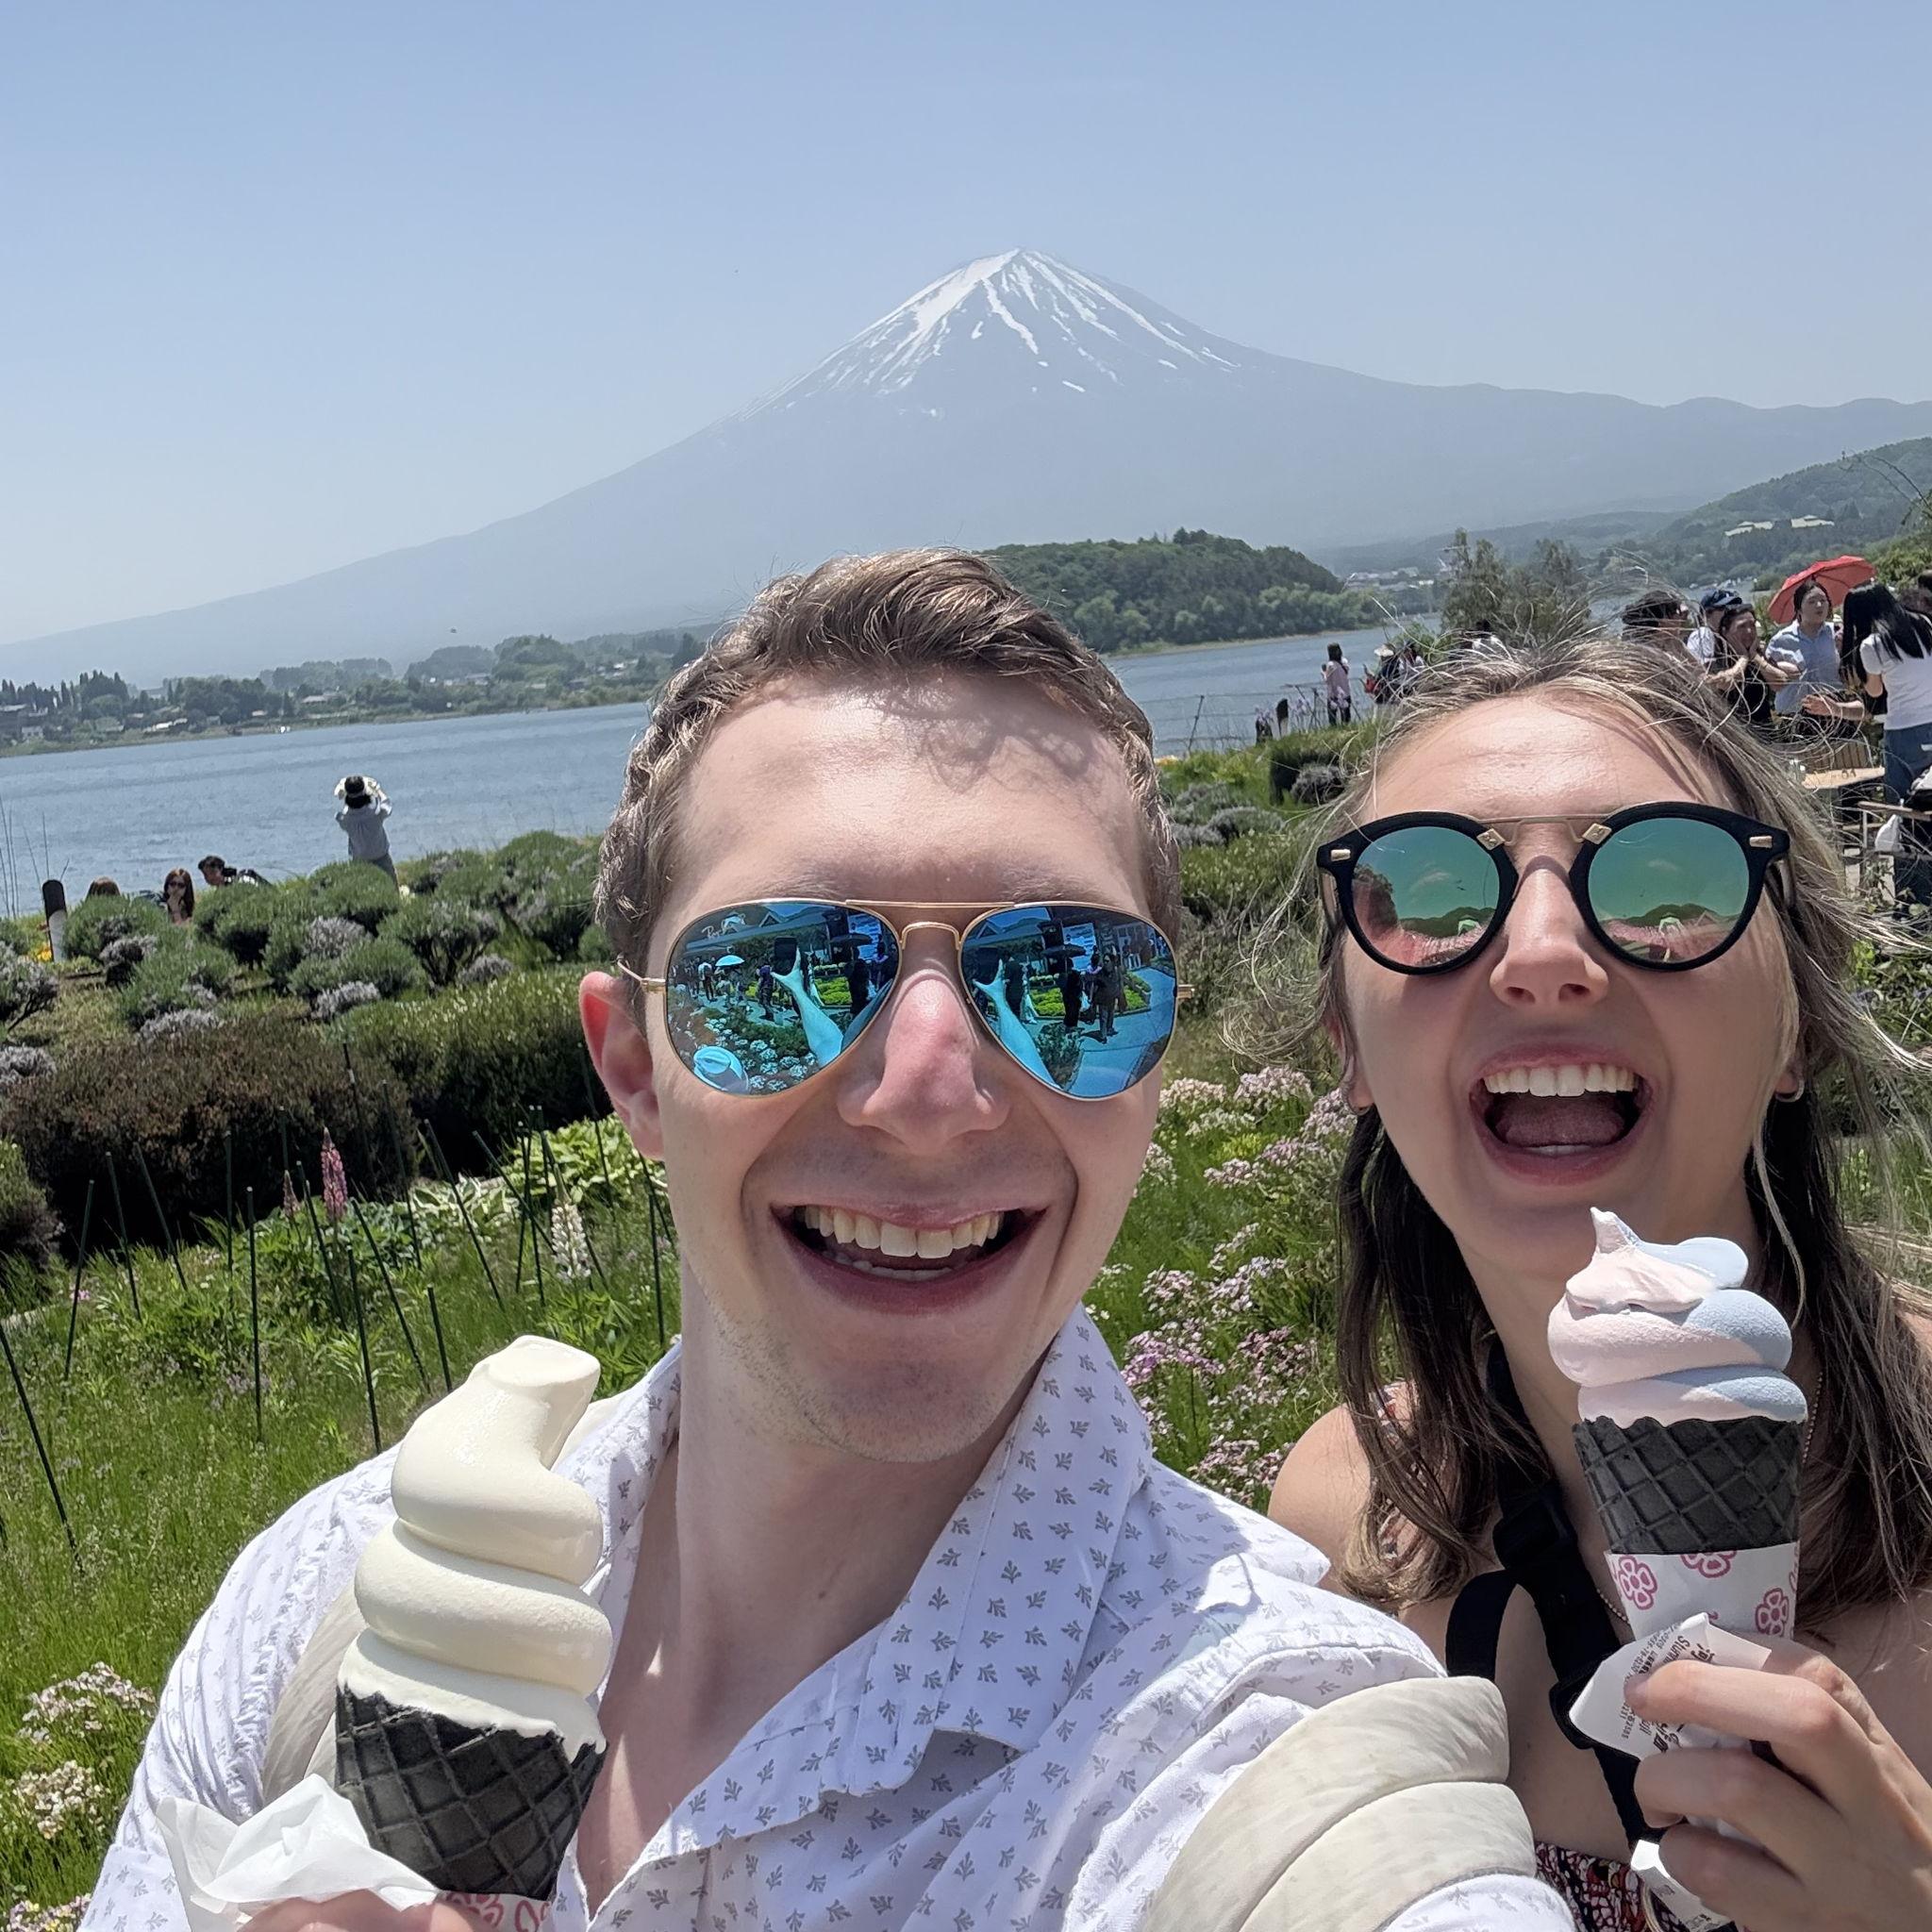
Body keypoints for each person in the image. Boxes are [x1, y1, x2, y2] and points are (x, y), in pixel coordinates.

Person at [89, 550, 1568, 1932]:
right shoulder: (321, 1611)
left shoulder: (1273, 1765)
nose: (930, 1088)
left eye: (1062, 977)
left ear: (1155, 1061)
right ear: (631, 1068)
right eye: (784, 972)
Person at [1270, 633, 1932, 1932]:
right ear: (1348, 1048)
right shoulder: (1347, 1527)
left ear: (1797, 1019)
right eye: (1437, 896)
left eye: (1662, 879)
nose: (1542, 949)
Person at [1847, 581, 1932, 919]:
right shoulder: (1925, 625)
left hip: (1903, 733)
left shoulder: (1872, 645)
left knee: (1903, 813)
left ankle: (1912, 898)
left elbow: (1874, 689)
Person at [1701, 601, 1796, 730]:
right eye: (1741, 627)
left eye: (1752, 625)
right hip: (1735, 738)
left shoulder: (1758, 658)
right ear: (1725, 631)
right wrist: (1743, 658)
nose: (1749, 631)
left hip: (1766, 735)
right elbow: (1729, 682)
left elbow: (1780, 683)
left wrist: (1755, 657)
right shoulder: (1717, 662)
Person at [1769, 581, 1843, 718]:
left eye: (1823, 600)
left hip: (1834, 709)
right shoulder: (1781, 640)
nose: (1819, 605)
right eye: (1812, 601)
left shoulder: (1837, 633)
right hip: (1794, 713)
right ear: (1799, 609)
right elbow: (1768, 677)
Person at [334, 774, 395, 880]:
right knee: (391, 887)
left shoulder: (345, 820)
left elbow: (342, 812)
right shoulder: (376, 815)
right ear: (366, 794)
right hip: (381, 857)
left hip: (359, 861)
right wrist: (377, 790)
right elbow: (387, 805)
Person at [1619, 591, 1691, 649]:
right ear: (1663, 621)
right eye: (1677, 612)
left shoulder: (1658, 643)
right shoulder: (1648, 651)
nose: (1680, 617)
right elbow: (1696, 666)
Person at [1324, 641, 1354, 725]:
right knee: (1346, 716)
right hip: (1346, 692)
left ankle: (1334, 730)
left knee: (1332, 716)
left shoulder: (1330, 665)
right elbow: (1346, 673)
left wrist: (1323, 673)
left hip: (1333, 694)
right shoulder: (1344, 662)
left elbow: (1327, 680)